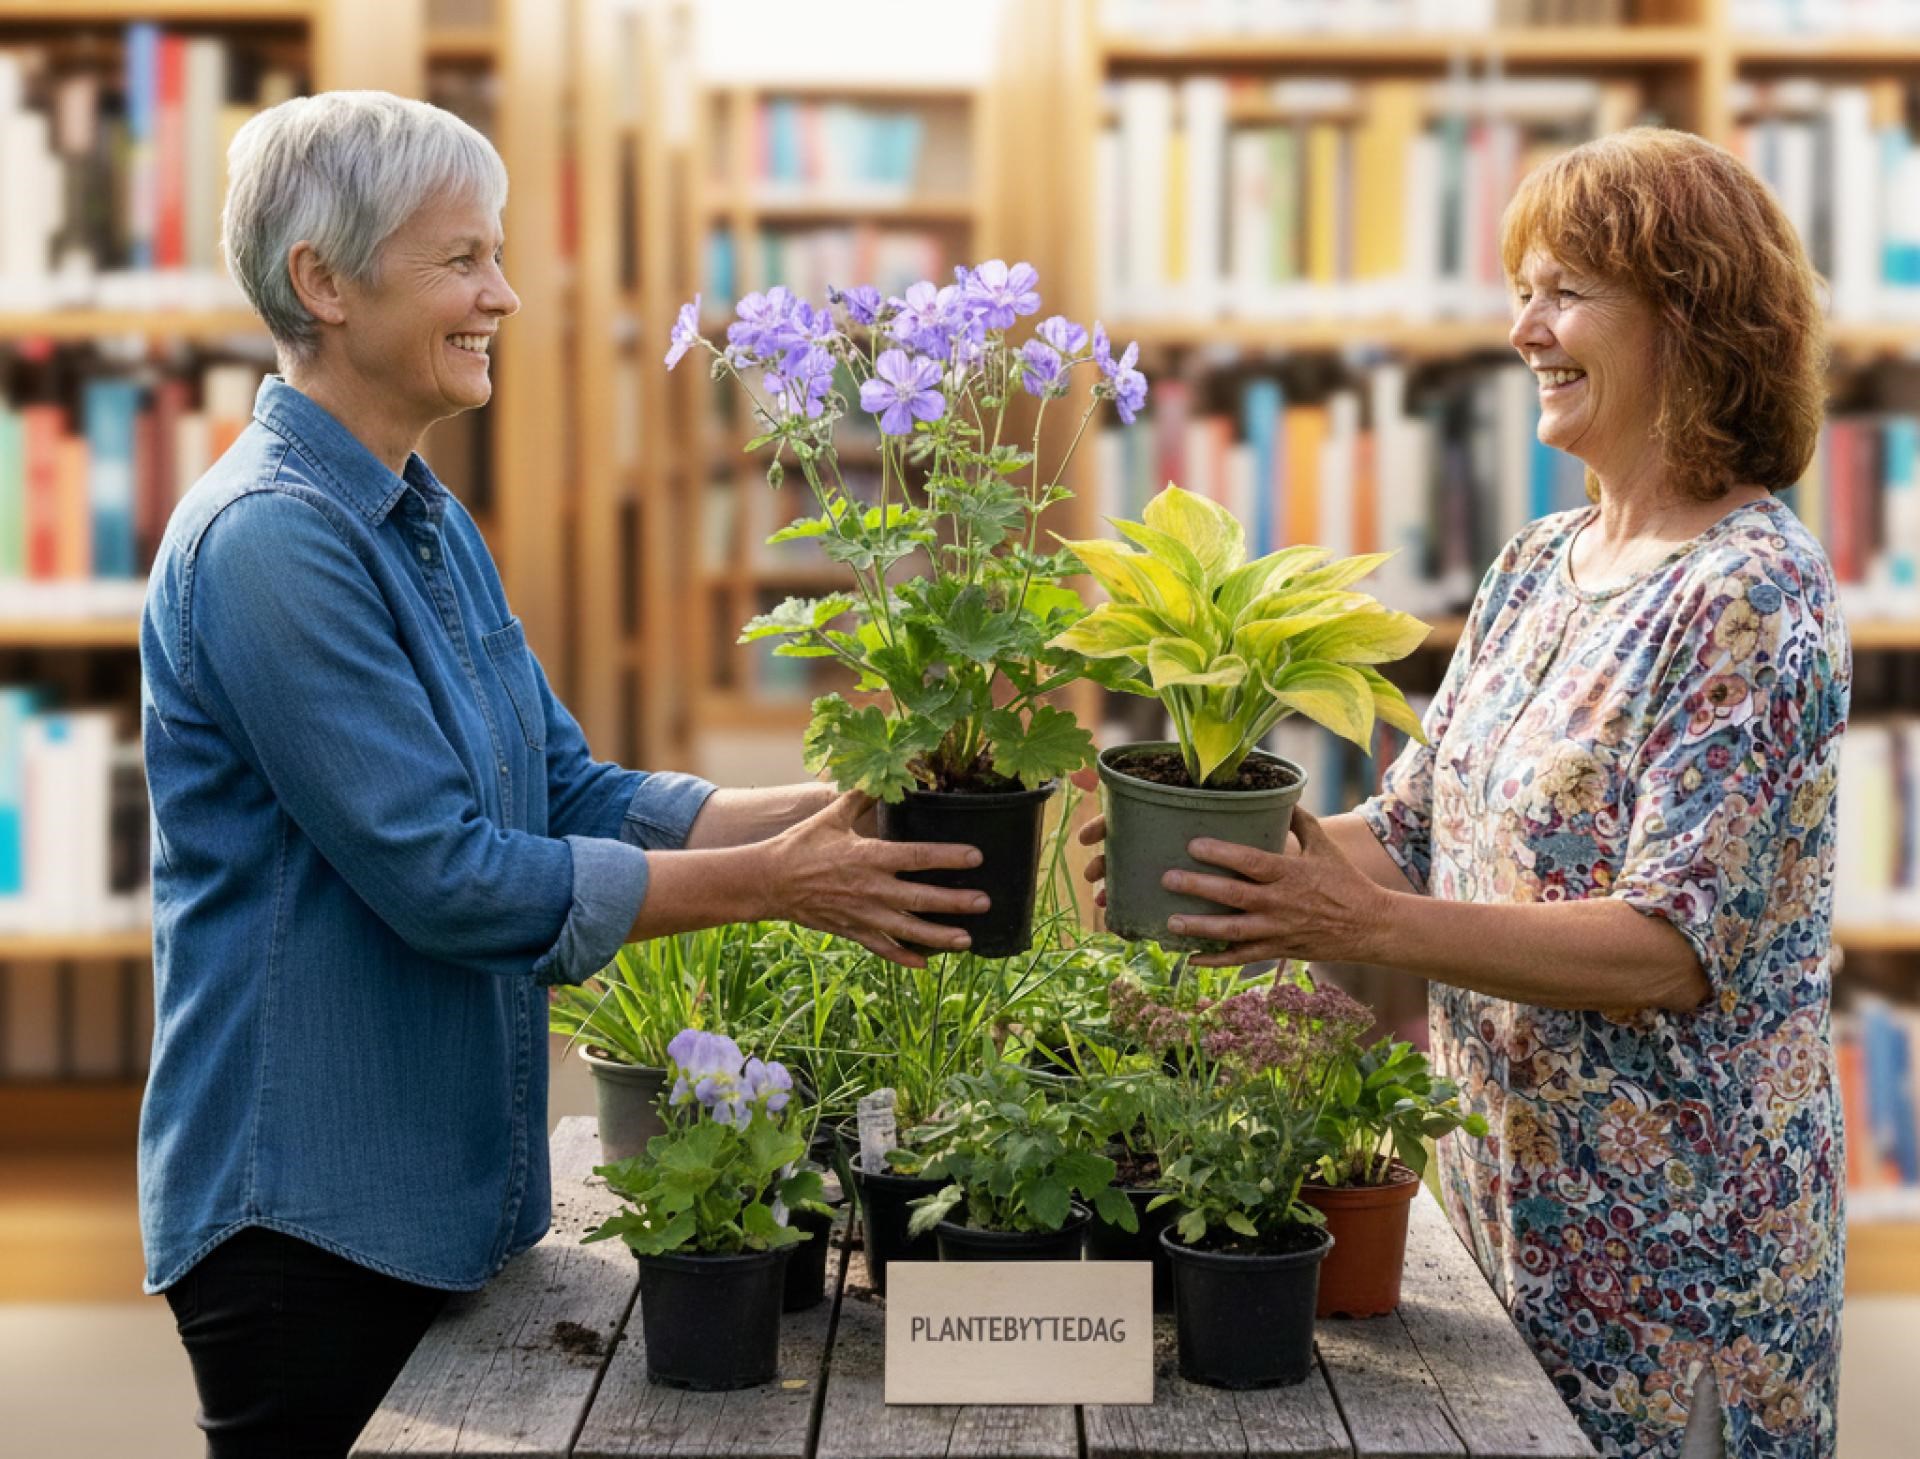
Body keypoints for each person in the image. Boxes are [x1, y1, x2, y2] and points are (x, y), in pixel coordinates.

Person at [138, 91, 986, 1458]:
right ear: (325, 283)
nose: (507, 295)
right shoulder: (268, 543)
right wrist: (780, 884)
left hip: (439, 1198)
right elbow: (449, 880)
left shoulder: (419, 515)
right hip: (304, 1220)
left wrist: (844, 814)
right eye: (464, 259)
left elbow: (564, 789)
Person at [1084, 128, 1847, 1458]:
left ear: (1688, 311)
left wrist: (1353, 928)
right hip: (1503, 1237)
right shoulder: (1540, 563)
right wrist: (1234, 864)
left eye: (1563, 293)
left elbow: (1668, 949)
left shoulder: (1750, 593)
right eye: (1522, 290)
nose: (1523, 328)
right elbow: (1418, 833)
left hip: (1679, 1294)